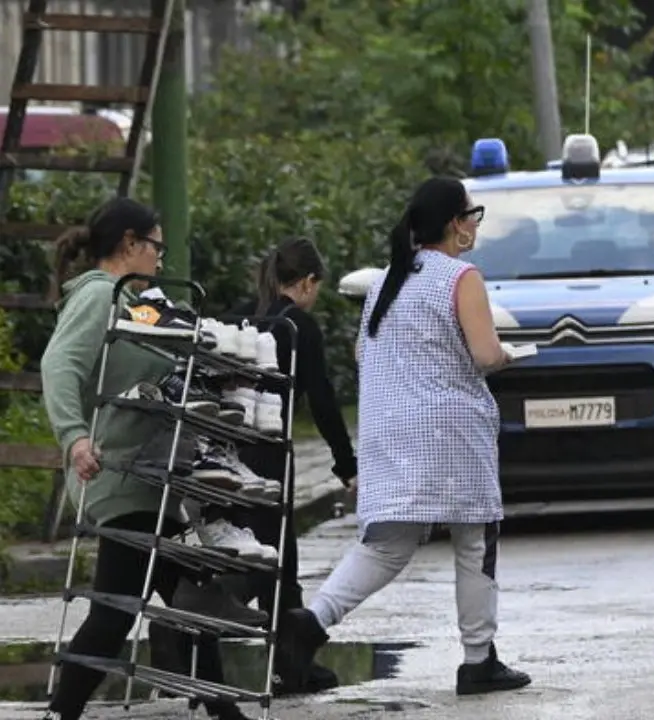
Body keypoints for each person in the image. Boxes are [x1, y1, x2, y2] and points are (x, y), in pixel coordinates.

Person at [274, 177, 532, 696]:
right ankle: (478, 659)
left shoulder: (387, 282)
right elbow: (484, 355)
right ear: (456, 223)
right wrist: (507, 355)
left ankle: (311, 622)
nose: (474, 224)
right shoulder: (462, 277)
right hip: (450, 432)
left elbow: (363, 356)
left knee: (386, 544)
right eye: (472, 214)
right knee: (475, 539)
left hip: (389, 430)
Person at [40, 197, 251, 720]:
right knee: (114, 615)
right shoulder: (98, 295)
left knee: (195, 595)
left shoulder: (131, 302)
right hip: (120, 476)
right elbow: (58, 365)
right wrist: (74, 438)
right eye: (156, 245)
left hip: (149, 478)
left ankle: (223, 710)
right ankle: (60, 714)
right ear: (129, 244)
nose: (161, 256)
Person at [224, 237, 357, 694]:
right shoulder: (298, 327)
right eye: (316, 286)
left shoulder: (243, 315)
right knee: (274, 556)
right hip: (269, 451)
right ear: (306, 282)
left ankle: (289, 662)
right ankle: (191, 633)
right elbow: (321, 400)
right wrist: (345, 463)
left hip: (225, 449)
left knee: (256, 550)